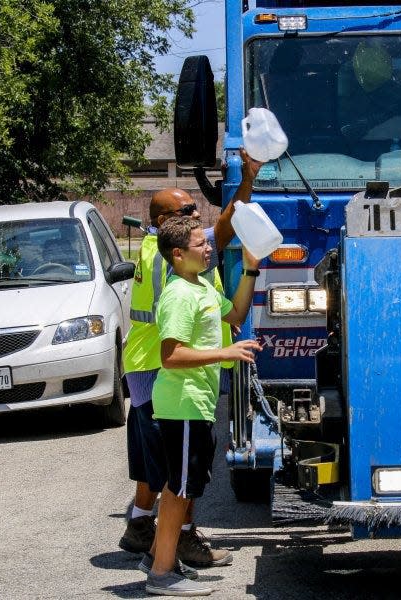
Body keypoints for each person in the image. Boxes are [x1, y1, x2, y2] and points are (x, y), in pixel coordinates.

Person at [118, 150, 262, 569]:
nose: (197, 217)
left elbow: (228, 305)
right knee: (174, 476)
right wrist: (247, 181)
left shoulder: (165, 251)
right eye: (187, 212)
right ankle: (167, 551)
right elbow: (224, 228)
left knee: (164, 466)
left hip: (158, 371)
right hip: (161, 372)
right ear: (168, 226)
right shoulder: (176, 268)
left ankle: (142, 525)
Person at [145, 216, 262, 596]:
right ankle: (161, 576)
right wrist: (224, 351)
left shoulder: (204, 288)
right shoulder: (179, 294)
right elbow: (171, 355)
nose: (209, 248)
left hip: (198, 404)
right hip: (182, 403)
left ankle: (155, 558)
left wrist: (250, 268)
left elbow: (237, 315)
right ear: (178, 255)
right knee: (178, 491)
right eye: (201, 245)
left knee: (181, 486)